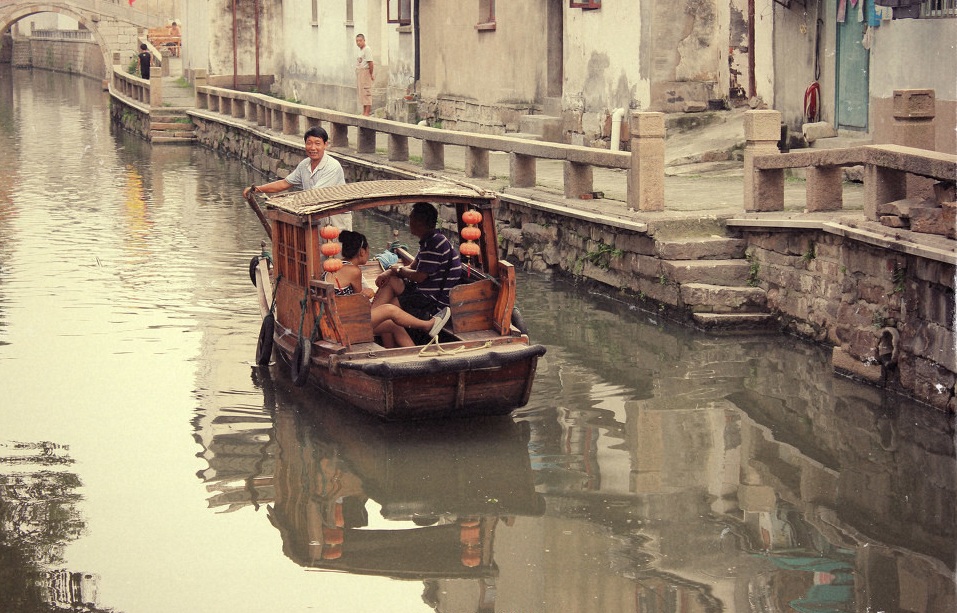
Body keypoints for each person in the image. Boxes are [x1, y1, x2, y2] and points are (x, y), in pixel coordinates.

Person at [328, 231, 451, 347]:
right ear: (362, 251)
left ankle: (395, 352)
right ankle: (427, 325)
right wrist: (366, 294)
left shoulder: (336, 265)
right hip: (347, 325)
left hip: (336, 321)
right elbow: (359, 305)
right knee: (389, 310)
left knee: (393, 324)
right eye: (368, 249)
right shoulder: (354, 271)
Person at [372, 202, 461, 330]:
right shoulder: (428, 241)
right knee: (391, 281)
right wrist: (390, 272)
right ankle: (370, 317)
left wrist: (398, 269)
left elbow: (419, 277)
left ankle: (372, 322)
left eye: (412, 218)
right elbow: (412, 267)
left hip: (432, 302)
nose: (410, 221)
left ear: (420, 222)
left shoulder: (436, 242)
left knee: (389, 311)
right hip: (423, 293)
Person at [243, 126, 352, 230]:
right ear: (305, 145)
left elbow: (315, 194)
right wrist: (256, 189)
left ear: (325, 145)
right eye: (309, 143)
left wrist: (286, 202)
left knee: (335, 248)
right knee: (313, 247)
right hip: (314, 217)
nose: (313, 148)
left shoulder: (332, 166)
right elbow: (284, 183)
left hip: (334, 220)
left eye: (317, 143)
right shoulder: (304, 165)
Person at [355, 34, 374, 116]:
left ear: (364, 40)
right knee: (362, 92)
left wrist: (371, 73)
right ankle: (364, 111)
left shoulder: (367, 49)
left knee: (366, 91)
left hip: (366, 71)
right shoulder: (360, 50)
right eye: (357, 41)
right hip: (360, 71)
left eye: (360, 41)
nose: (358, 42)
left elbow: (371, 63)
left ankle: (367, 113)